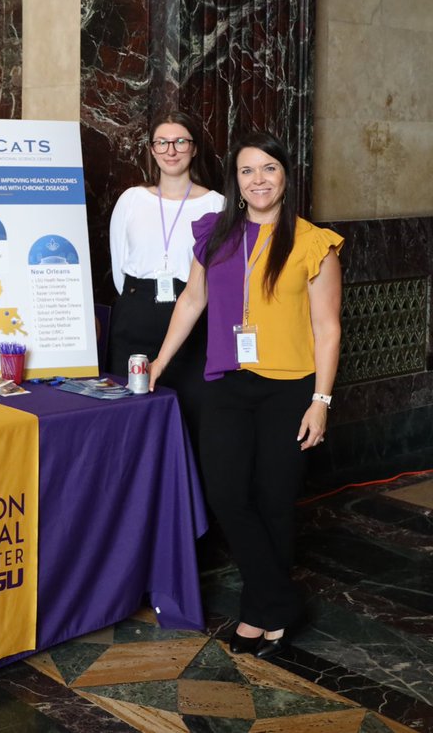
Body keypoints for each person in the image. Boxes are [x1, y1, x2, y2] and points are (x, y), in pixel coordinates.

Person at [149, 131, 343, 659]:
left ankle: (260, 613)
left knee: (275, 502)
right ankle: (284, 604)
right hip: (228, 386)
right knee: (228, 495)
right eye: (247, 171)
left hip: (290, 390)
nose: (258, 180)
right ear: (236, 182)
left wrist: (320, 403)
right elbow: (192, 300)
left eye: (268, 169)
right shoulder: (216, 233)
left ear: (285, 176)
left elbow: (327, 328)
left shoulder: (312, 243)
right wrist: (160, 363)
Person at [107, 109, 223, 441]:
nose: (171, 150)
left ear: (194, 147)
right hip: (135, 316)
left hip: (193, 318)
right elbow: (119, 266)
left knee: (191, 414)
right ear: (153, 149)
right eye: (162, 142)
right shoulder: (132, 200)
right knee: (131, 415)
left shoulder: (217, 204)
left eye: (180, 142)